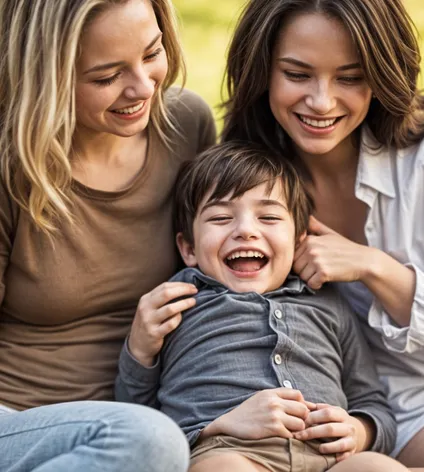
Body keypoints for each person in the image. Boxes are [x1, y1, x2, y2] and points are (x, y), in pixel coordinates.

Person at [221, 0, 424, 471]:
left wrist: (374, 267)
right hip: (332, 431)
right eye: (297, 74)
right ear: (262, 72)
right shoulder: (243, 190)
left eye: (350, 78)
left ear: (381, 76)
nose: (321, 101)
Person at [0, 0, 215, 470]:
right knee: (148, 440)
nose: (142, 87)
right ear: (47, 76)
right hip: (16, 421)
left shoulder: (186, 128)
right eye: (105, 77)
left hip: (151, 412)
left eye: (152, 52)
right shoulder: (9, 166)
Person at [116, 141, 414, 472]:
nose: (245, 230)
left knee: (377, 467)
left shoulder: (328, 302)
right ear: (188, 248)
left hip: (329, 459)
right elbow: (138, 418)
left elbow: (374, 405)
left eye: (269, 216)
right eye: (221, 217)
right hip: (226, 448)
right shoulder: (179, 303)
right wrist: (140, 350)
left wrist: (358, 432)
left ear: (300, 240)